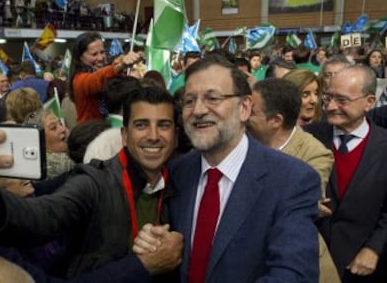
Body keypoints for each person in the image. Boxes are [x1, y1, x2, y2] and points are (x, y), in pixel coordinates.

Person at [135, 55, 321, 282]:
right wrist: (153, 241)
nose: (199, 110)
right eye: (190, 100)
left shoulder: (292, 180)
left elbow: (293, 275)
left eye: (213, 98)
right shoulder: (175, 172)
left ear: (244, 108)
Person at [0, 86, 183, 279]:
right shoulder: (93, 182)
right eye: (141, 125)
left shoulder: (183, 179)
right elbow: (42, 217)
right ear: (125, 136)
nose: (154, 135)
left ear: (175, 135)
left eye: (164, 125)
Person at [247, 78, 340, 283]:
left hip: (291, 263)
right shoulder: (241, 140)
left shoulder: (315, 154)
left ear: (276, 121)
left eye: (252, 112)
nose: (243, 115)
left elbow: (305, 205)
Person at [304, 65, 387, 282]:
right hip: (312, 262)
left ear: (369, 102)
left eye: (342, 100)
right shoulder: (307, 138)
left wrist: (374, 248)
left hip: (365, 267)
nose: (330, 106)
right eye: (328, 97)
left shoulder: (384, 145)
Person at [68, 31, 141, 123]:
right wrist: (119, 66)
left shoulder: (105, 70)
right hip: (91, 133)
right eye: (94, 54)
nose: (100, 58)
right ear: (80, 57)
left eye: (102, 52)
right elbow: (96, 79)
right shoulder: (79, 80)